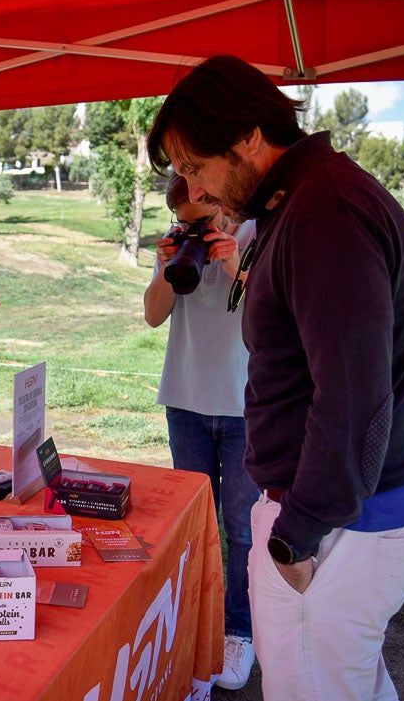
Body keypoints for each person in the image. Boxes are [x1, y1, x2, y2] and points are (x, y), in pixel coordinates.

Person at [147, 55, 404, 701]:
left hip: (337, 528)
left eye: (195, 166)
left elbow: (354, 397)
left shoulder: (324, 212)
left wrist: (296, 536)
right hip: (341, 519)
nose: (196, 190)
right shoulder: (305, 201)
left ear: (249, 136)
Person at [142, 172, 258, 691]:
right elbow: (153, 316)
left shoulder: (259, 235)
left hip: (245, 406)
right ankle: (193, 626)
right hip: (185, 401)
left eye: (202, 222)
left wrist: (234, 264)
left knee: (242, 528)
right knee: (194, 526)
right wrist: (168, 263)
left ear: (224, 204)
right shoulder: (180, 242)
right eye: (184, 222)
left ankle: (238, 631)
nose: (194, 231)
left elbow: (277, 313)